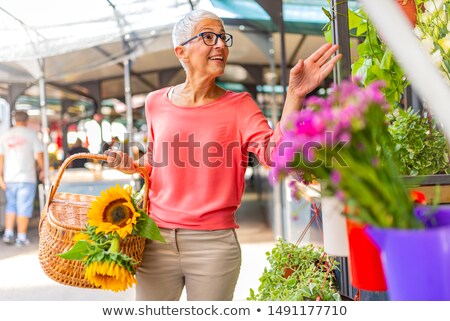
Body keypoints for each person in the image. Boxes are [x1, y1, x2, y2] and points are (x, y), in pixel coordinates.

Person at [105, 9, 341, 300]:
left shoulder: (240, 106)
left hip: (213, 246)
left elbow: (274, 155)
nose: (220, 44)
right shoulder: (155, 102)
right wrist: (132, 164)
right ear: (182, 51)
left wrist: (295, 95)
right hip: (155, 239)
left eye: (222, 37)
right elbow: (156, 159)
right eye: (208, 37)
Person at [0, 111, 44, 246]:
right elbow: (39, 155)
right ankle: (21, 236)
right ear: (27, 120)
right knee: (24, 207)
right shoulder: (31, 134)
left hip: (9, 177)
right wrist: (43, 170)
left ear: (14, 119)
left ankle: (8, 233)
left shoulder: (5, 135)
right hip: (27, 177)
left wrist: (0, 177)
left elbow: (1, 158)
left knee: (11, 206)